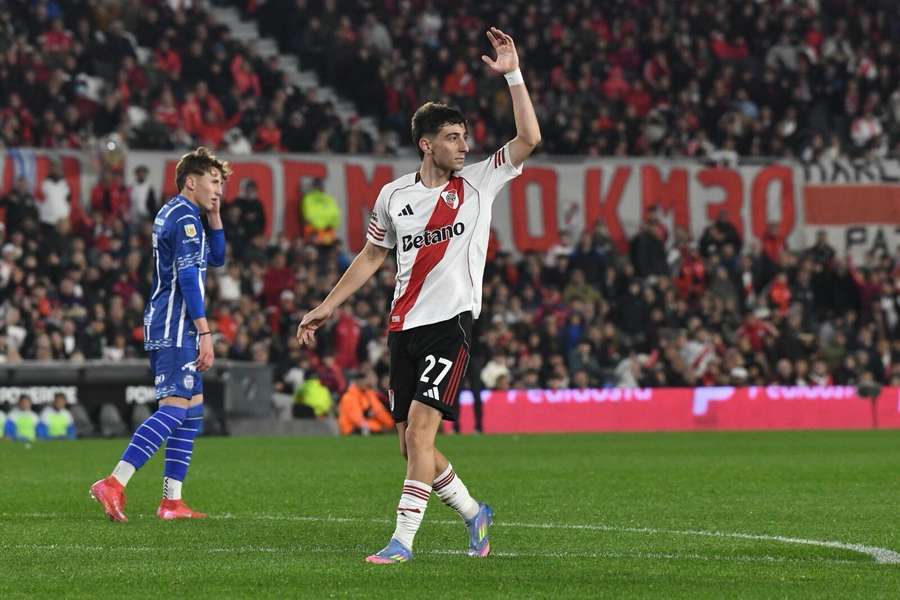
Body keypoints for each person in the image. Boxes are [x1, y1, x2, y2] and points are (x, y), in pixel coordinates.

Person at [297, 27, 540, 564]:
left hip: (451, 323)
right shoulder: (393, 196)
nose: (466, 145)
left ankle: (402, 542)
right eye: (454, 137)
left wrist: (514, 75)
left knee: (424, 432)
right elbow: (371, 257)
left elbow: (528, 140)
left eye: (466, 136)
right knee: (410, 444)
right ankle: (475, 512)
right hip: (403, 325)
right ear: (426, 143)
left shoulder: (479, 182)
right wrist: (326, 305)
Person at [90, 147, 229, 522]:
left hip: (174, 323)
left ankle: (171, 501)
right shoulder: (182, 217)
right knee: (174, 409)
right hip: (175, 325)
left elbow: (216, 259)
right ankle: (114, 482)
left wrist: (215, 217)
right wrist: (205, 332)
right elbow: (187, 277)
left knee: (192, 411)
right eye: (213, 182)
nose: (219, 190)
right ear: (191, 181)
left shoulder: (188, 215)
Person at [338, 369, 394, 435]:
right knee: (371, 432)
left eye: (365, 380)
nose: (365, 383)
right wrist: (378, 428)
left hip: (366, 426)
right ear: (357, 382)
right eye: (363, 380)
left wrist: (390, 424)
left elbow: (379, 411)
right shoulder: (349, 397)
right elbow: (357, 420)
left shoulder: (369, 394)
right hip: (351, 429)